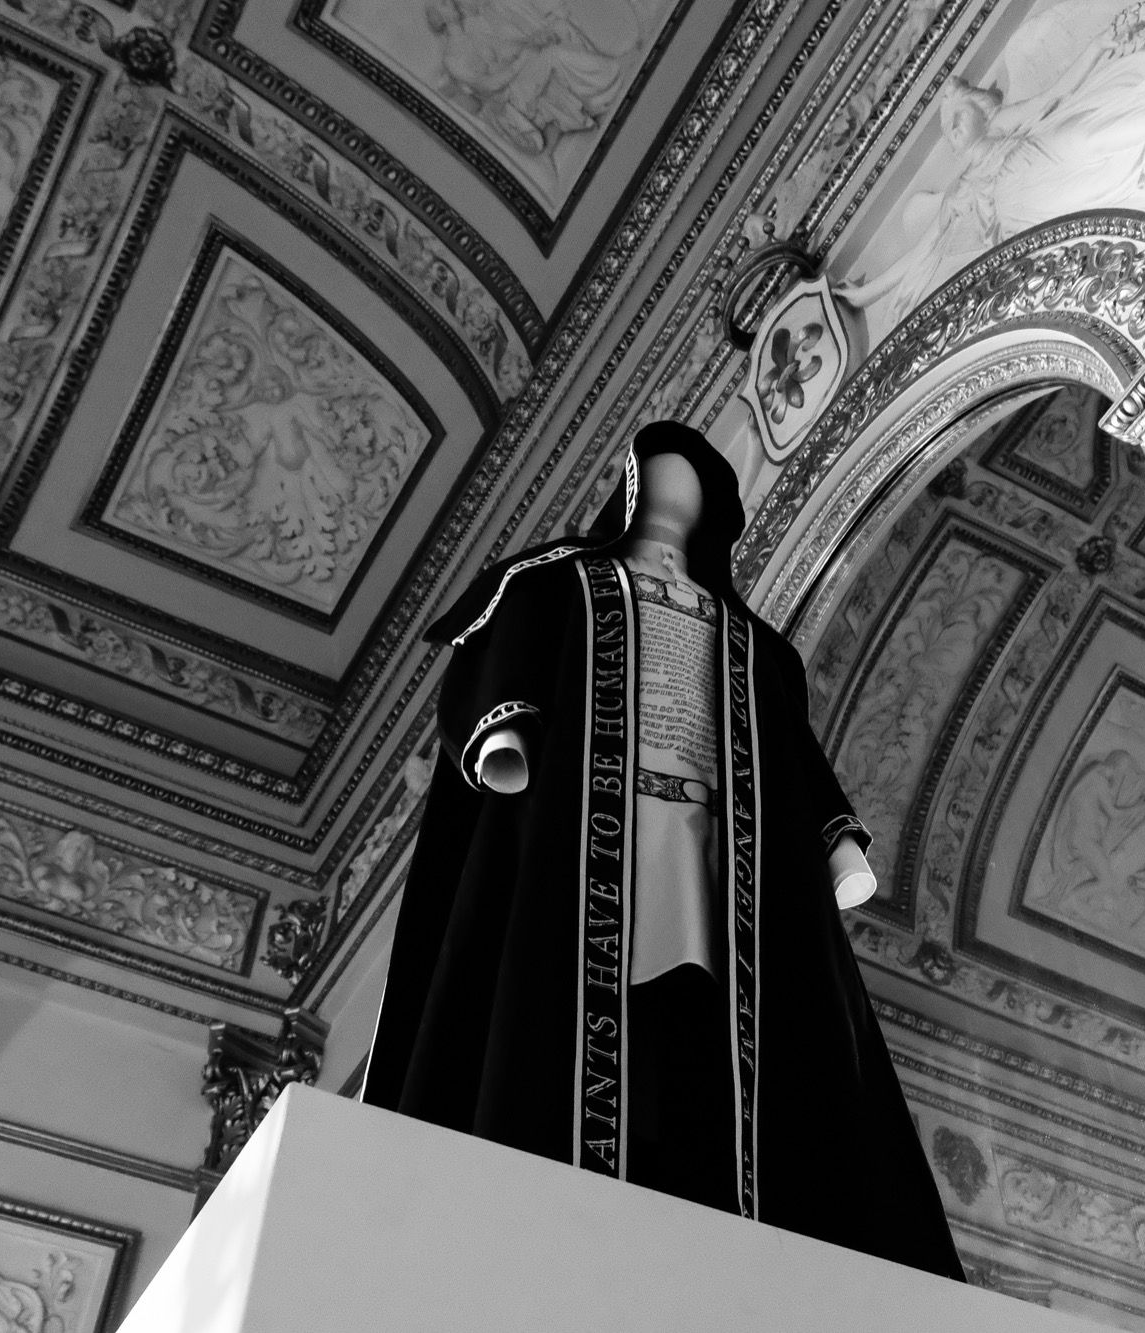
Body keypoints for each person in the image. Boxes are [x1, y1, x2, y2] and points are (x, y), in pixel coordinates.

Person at [362, 420, 964, 1280]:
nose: (678, 505)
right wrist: (507, 736)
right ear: (633, 491)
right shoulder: (563, 581)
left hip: (719, 850)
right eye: (666, 486)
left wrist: (833, 847)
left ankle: (706, 1185)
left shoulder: (751, 640)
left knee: (710, 1012)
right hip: (592, 832)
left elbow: (793, 756)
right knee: (582, 995)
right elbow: (504, 654)